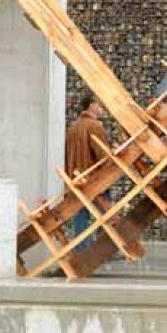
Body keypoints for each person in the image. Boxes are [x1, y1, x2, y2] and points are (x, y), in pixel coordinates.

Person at [65, 94, 109, 250]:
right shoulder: (96, 126)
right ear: (91, 105)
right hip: (95, 178)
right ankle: (104, 248)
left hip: (76, 178)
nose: (102, 108)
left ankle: (81, 247)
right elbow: (103, 156)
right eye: (99, 105)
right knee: (105, 212)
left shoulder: (73, 126)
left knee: (81, 213)